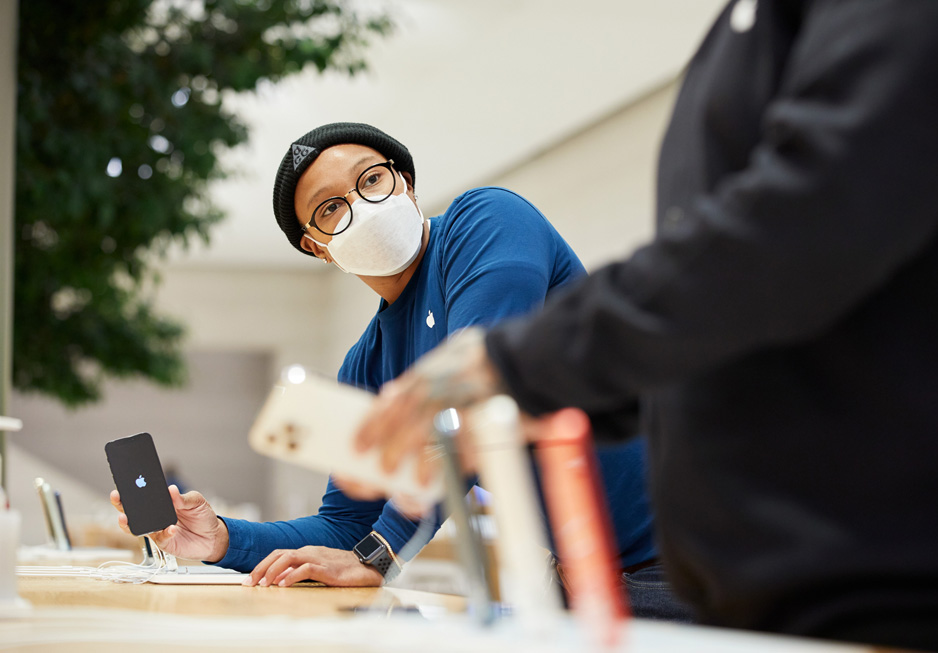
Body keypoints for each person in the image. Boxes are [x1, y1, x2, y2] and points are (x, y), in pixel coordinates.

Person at [346, 3, 938, 652]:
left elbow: (817, 215)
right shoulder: (737, 37)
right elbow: (731, 315)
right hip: (764, 590)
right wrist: (583, 394)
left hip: (898, 582)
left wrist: (523, 365)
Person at [110, 122, 693, 621]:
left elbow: (477, 391)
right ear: (318, 247)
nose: (360, 206)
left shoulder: (485, 222)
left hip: (683, 557)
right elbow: (344, 527)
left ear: (404, 182)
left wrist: (379, 554)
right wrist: (223, 539)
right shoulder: (366, 362)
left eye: (370, 180)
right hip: (580, 580)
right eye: (330, 208)